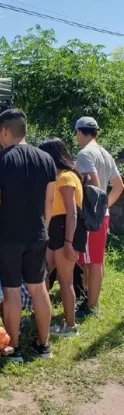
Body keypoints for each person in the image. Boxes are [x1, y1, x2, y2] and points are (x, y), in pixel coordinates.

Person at [0, 109, 56, 362]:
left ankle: (14, 349)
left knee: (11, 291)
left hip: (7, 237)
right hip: (38, 234)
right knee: (38, 289)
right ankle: (44, 345)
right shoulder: (46, 160)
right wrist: (42, 227)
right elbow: (49, 200)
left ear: (4, 131)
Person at [75, 117, 124, 319]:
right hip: (100, 216)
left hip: (90, 217)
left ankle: (91, 306)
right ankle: (91, 300)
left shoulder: (85, 153)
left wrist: (90, 208)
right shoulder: (105, 153)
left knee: (93, 262)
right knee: (96, 261)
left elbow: (93, 184)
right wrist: (105, 206)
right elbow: (119, 186)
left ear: (79, 131)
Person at [39, 138, 86, 337]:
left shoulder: (67, 177)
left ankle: (70, 325)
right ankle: (42, 313)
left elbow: (72, 213)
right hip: (55, 229)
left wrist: (68, 243)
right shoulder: (58, 177)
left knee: (65, 281)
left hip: (66, 230)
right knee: (42, 274)